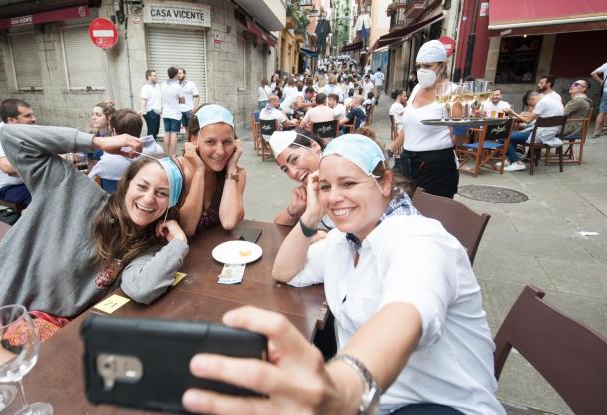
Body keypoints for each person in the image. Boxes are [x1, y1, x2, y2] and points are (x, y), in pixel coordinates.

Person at [182, 135, 504, 415]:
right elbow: (284, 272)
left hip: (437, 405)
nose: (333, 197)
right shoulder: (344, 240)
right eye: (325, 187)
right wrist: (310, 216)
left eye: (348, 183)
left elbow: (407, 311)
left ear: (385, 183)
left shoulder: (420, 239)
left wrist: (345, 386)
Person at [0, 121, 189, 406]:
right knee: (27, 404)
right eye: (142, 186)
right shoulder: (71, 190)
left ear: (171, 203)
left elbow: (142, 288)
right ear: (126, 184)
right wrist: (95, 142)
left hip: (31, 342)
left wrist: (178, 243)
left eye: (161, 193)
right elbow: (12, 137)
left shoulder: (141, 246)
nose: (148, 199)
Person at [388, 40, 465, 199]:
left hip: (435, 166)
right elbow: (409, 128)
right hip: (407, 161)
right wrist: (389, 151)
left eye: (428, 66)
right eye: (419, 66)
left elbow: (460, 140)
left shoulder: (453, 92)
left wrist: (459, 129)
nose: (422, 71)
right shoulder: (416, 89)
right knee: (396, 209)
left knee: (429, 216)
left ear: (442, 66)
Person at [177, 104, 245, 236]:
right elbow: (187, 229)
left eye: (227, 142)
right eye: (210, 142)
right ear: (193, 140)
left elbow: (229, 221)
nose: (220, 152)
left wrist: (231, 167)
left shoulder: (237, 174)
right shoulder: (178, 173)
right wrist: (199, 171)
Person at [269, 129, 334, 232]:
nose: (293, 172)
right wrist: (293, 211)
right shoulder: (309, 190)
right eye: (286, 170)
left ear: (314, 146)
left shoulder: (347, 174)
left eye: (294, 160)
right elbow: (278, 225)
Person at [89, 109, 164, 192]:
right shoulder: (159, 152)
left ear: (114, 131)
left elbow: (90, 182)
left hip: (115, 203)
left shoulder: (107, 160)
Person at [0, 99, 36, 207]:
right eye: (28, 116)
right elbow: (7, 167)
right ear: (11, 119)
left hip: (33, 182)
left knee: (72, 187)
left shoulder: (31, 131)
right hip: (9, 187)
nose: (34, 119)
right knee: (53, 197)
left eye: (33, 114)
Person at [502, 87, 565, 171]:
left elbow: (527, 121)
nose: (532, 107)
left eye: (531, 105)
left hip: (538, 135)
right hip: (551, 134)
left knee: (504, 135)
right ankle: (511, 160)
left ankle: (517, 162)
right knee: (512, 137)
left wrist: (513, 112)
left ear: (532, 99)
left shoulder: (542, 103)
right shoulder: (556, 100)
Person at [161, 67, 186, 157]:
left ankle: (166, 154)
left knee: (167, 133)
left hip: (165, 113)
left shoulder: (163, 85)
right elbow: (183, 101)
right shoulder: (177, 86)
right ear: (176, 75)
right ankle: (173, 154)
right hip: (175, 114)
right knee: (174, 134)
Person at [140, 69, 162, 141]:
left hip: (157, 112)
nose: (156, 77)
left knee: (155, 132)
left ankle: (152, 148)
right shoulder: (145, 87)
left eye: (156, 76)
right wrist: (143, 111)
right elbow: (143, 100)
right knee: (152, 133)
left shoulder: (158, 86)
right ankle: (149, 150)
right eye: (154, 76)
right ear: (149, 77)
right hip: (150, 112)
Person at [590, 61, 607, 137]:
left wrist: (601, 81)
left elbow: (593, 73)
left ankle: (597, 131)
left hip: (606, 91)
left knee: (603, 111)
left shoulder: (606, 65)